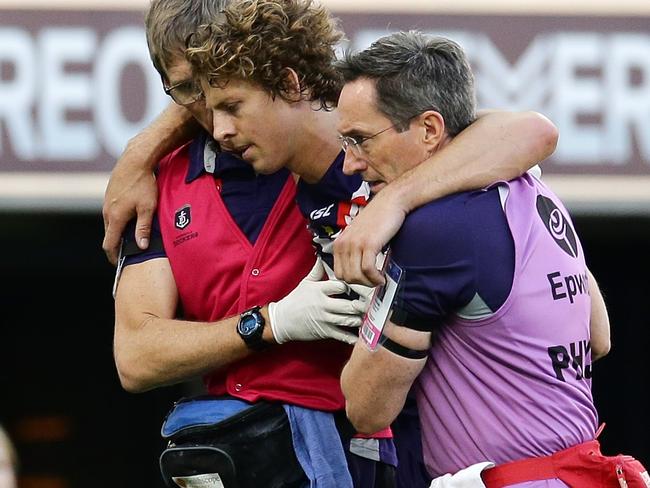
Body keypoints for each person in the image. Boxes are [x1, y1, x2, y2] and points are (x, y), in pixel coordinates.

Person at [110, 0, 558, 486]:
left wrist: (393, 202)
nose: (209, 117)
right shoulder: (163, 177)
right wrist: (272, 323)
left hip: (387, 449)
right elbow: (135, 357)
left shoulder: (360, 148)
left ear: (280, 79)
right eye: (186, 91)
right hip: (234, 452)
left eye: (224, 95)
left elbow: (528, 131)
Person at [333, 31, 640, 488]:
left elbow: (365, 407)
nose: (349, 164)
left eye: (361, 140)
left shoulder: (434, 229)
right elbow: (600, 337)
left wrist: (368, 308)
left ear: (431, 129)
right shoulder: (535, 191)